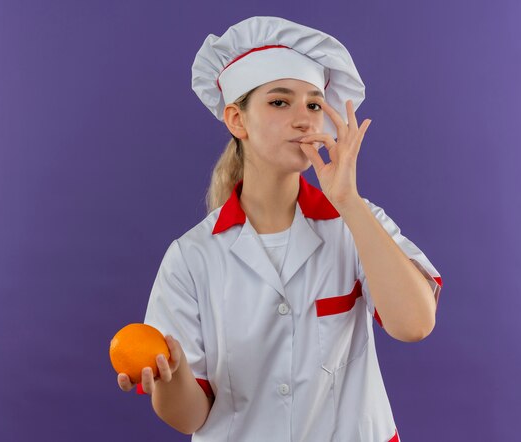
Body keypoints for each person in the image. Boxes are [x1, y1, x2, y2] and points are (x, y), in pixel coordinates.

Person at [117, 16, 442, 442]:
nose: (305, 120)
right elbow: (190, 417)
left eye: (313, 105)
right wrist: (170, 376)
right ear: (237, 119)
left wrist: (348, 200)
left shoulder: (356, 223)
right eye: (279, 102)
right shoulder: (192, 257)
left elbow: (414, 324)